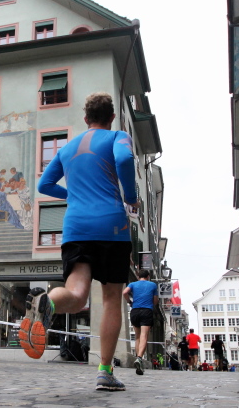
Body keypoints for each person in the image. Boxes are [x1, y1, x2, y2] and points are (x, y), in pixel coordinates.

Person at [24, 92, 138, 391]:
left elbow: (44, 184)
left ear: (86, 118)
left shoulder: (67, 147)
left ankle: (47, 301)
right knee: (111, 299)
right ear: (112, 116)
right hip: (111, 226)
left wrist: (72, 195)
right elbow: (125, 158)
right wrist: (131, 197)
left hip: (76, 227)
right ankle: (105, 371)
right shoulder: (117, 136)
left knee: (76, 296)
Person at [122, 268, 159, 375]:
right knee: (144, 336)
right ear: (148, 277)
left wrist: (129, 301)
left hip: (135, 311)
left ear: (138, 276)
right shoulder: (152, 285)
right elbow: (155, 301)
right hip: (146, 311)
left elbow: (124, 292)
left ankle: (138, 359)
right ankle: (139, 358)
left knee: (137, 336)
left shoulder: (133, 284)